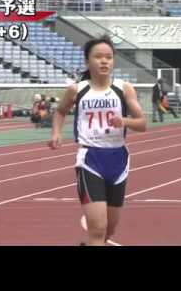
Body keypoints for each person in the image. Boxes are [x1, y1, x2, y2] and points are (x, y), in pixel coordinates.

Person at [49, 35, 147, 246]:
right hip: (90, 159)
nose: (104, 61)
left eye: (109, 57)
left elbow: (142, 124)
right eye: (98, 57)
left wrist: (125, 121)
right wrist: (56, 133)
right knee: (97, 228)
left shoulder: (124, 88)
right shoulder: (77, 90)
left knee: (110, 227)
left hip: (118, 160)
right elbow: (60, 112)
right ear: (87, 61)